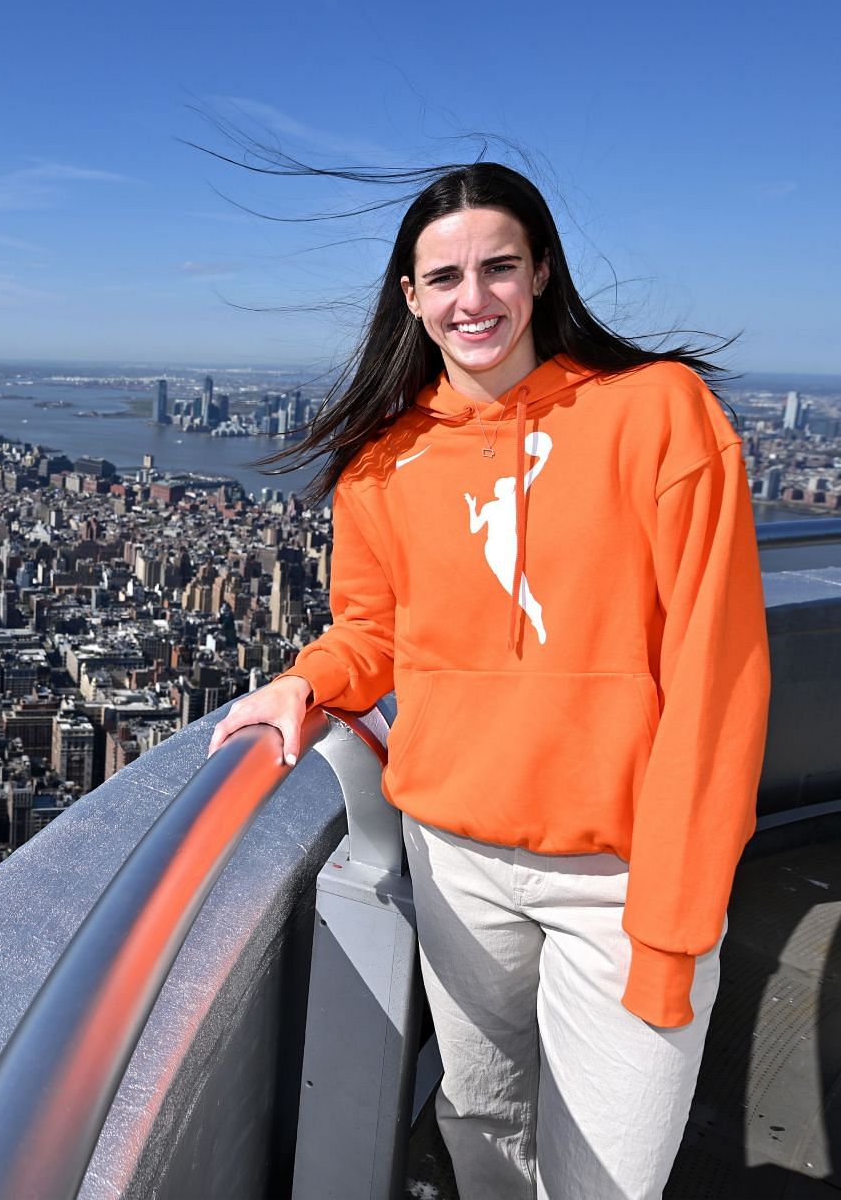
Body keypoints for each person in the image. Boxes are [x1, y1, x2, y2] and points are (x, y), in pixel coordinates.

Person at [205, 161, 770, 1197]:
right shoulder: (385, 461)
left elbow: (718, 680)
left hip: (622, 877)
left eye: (499, 266)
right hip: (454, 856)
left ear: (543, 272)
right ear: (410, 298)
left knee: (607, 1175)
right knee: (482, 1127)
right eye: (445, 277)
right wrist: (308, 680)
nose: (475, 298)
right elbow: (374, 630)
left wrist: (675, 924)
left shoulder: (660, 414)